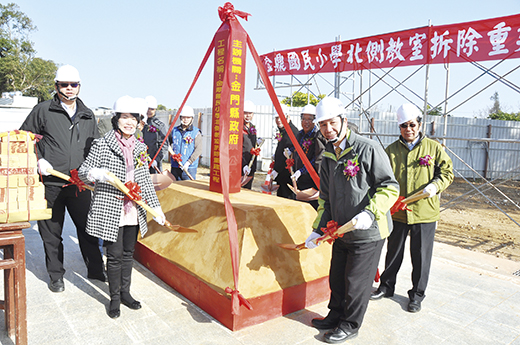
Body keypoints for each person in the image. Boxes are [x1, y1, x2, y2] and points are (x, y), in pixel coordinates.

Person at [305, 97, 399, 343]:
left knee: (356, 283)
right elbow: (325, 197)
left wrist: (370, 212)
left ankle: (350, 324)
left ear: (344, 121)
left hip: (368, 231)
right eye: (323, 125)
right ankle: (335, 315)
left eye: (332, 123)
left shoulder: (367, 148)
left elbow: (389, 187)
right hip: (341, 230)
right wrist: (318, 229)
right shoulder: (327, 154)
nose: (328, 129)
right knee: (337, 277)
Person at [19, 64, 105, 293]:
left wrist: (95, 170)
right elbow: (25, 139)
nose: (69, 89)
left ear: (79, 86)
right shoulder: (43, 110)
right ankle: (56, 275)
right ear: (57, 86)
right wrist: (38, 160)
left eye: (73, 84)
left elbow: (95, 147)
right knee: (51, 232)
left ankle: (96, 269)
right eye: (64, 84)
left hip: (80, 183)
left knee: (88, 229)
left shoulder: (88, 114)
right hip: (50, 183)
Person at [78, 95, 166, 319]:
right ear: (116, 119)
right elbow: (82, 172)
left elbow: (145, 181)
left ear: (139, 121)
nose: (129, 122)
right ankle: (114, 299)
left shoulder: (140, 147)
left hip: (133, 210)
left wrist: (156, 209)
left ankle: (125, 293)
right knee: (115, 256)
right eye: (124, 117)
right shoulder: (102, 144)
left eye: (133, 118)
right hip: (111, 209)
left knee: (128, 254)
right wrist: (94, 174)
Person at [370, 103, 453, 313]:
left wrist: (436, 185)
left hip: (425, 212)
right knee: (393, 252)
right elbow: (382, 178)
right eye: (404, 125)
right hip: (398, 212)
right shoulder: (390, 151)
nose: (409, 129)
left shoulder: (434, 148)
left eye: (412, 124)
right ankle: (386, 287)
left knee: (421, 256)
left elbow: (447, 173)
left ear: (420, 124)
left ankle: (417, 295)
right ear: (399, 127)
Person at [290, 104, 326, 209]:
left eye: (309, 119)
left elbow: (317, 158)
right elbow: (296, 149)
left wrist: (302, 171)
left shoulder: (317, 136)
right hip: (299, 179)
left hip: (311, 180)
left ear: (314, 120)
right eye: (304, 119)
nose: (306, 122)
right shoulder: (300, 134)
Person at [270, 104, 299, 198]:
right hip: (282, 177)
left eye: (281, 117)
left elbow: (288, 157)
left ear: (288, 117)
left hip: (287, 177)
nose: (278, 120)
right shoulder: (284, 131)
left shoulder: (292, 132)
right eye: (277, 118)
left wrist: (276, 170)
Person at [170, 105, 202, 180]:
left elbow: (198, 150)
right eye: (184, 117)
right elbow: (167, 144)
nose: (186, 120)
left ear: (192, 118)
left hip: (189, 168)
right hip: (175, 166)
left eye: (188, 117)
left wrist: (188, 162)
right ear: (180, 118)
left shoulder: (196, 132)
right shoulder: (174, 131)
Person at [142, 95, 167, 174]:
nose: (149, 111)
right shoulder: (137, 124)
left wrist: (156, 160)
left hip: (154, 163)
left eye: (152, 109)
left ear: (155, 110)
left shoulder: (159, 126)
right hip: (139, 162)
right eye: (147, 108)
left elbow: (164, 145)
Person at [241, 100, 258, 189]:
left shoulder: (252, 127)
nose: (248, 115)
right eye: (245, 113)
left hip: (251, 165)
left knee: (248, 190)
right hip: (241, 165)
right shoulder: (238, 128)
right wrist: (243, 165)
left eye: (250, 113)